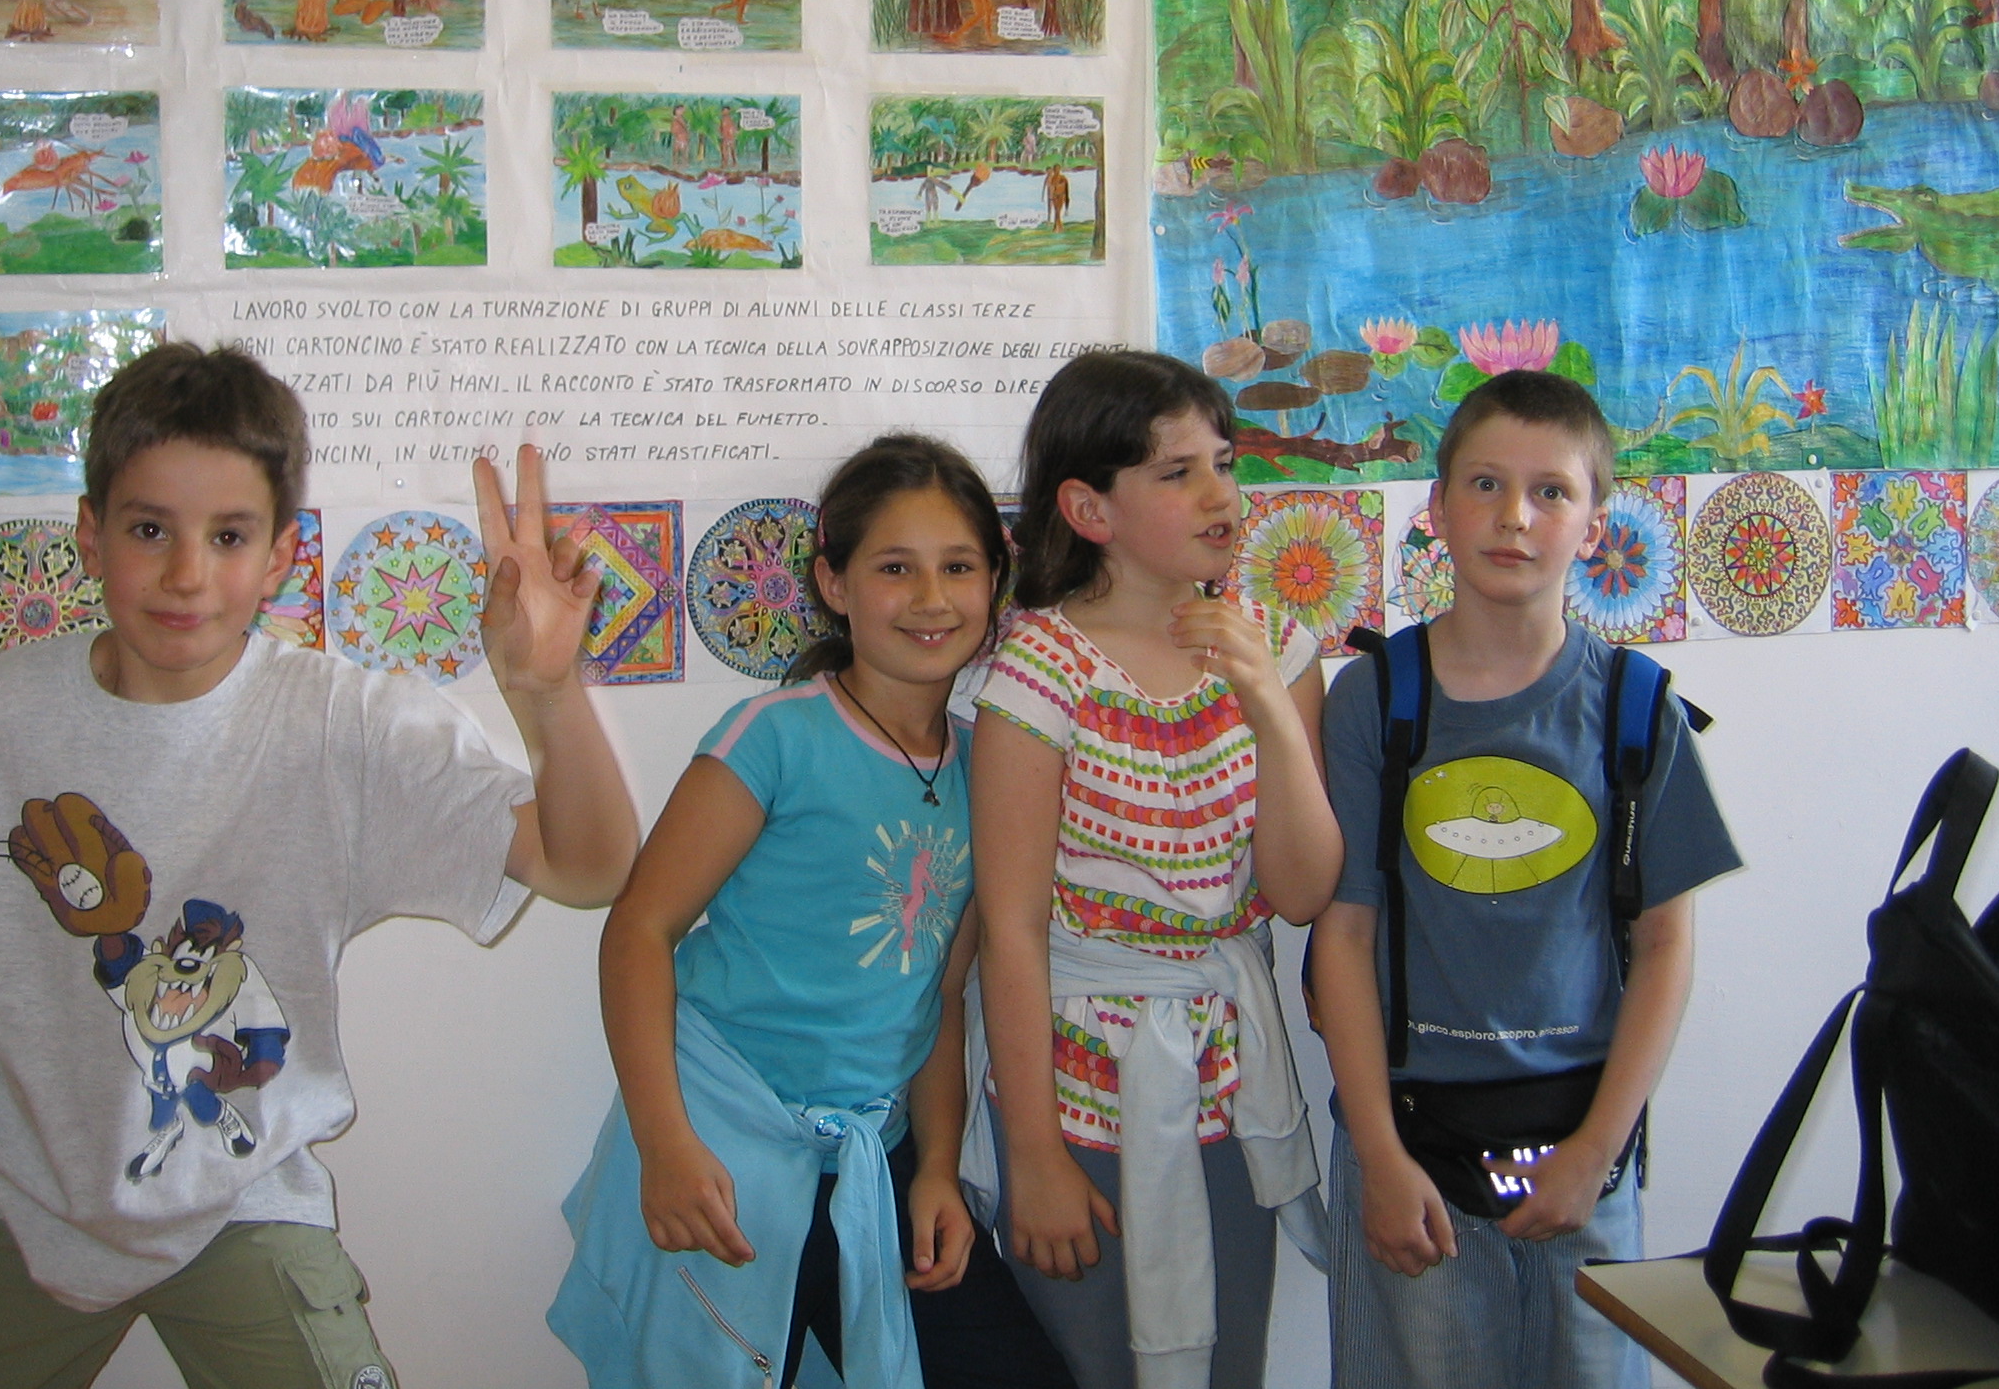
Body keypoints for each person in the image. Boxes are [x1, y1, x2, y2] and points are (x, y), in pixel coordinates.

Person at [0, 341, 640, 1388]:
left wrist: (544, 692)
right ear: (90, 534)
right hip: (11, 1188)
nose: (186, 574)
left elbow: (587, 867)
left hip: (242, 1196)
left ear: (279, 556)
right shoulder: (10, 708)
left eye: (227, 536)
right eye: (149, 530)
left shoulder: (344, 724)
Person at [554, 435, 1073, 1389]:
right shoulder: (777, 735)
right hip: (718, 1149)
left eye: (960, 567)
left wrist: (936, 1168)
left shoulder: (986, 766)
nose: (931, 597)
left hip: (876, 1159)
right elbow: (638, 931)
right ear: (834, 583)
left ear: (997, 584)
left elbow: (942, 996)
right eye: (895, 568)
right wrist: (666, 1145)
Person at [1314, 369, 1740, 1389]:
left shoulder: (1639, 710)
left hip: (1586, 1153)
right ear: (1436, 508)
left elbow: (1667, 944)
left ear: (1595, 526)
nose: (1515, 516)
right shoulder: (1373, 701)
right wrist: (1379, 1157)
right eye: (1486, 484)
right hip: (1407, 1151)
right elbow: (1344, 936)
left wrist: (1597, 1151)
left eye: (1552, 491)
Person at [971, 350, 1343, 1389]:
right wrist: (1035, 1154)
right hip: (1076, 1089)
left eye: (1225, 463)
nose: (1220, 493)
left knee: (1227, 1359)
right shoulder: (1041, 668)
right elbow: (1010, 930)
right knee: (1089, 1362)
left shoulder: (1277, 647)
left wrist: (1268, 704)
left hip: (1229, 1079)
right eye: (1178, 473)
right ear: (1089, 508)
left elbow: (1302, 891)